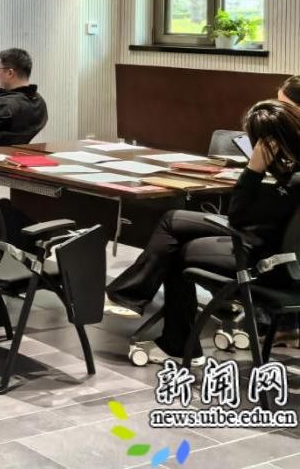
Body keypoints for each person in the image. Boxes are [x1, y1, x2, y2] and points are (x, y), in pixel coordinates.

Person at [105, 100, 300, 364]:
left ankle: (175, 340)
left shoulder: (293, 184)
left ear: (272, 143)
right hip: (276, 254)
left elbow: (239, 218)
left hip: (270, 266)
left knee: (177, 249)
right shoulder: (294, 174)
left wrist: (253, 170)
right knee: (173, 220)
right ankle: (132, 296)